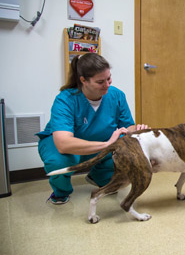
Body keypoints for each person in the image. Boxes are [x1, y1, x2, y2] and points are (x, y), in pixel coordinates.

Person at [37, 53, 148, 205]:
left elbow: (127, 126)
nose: (107, 85)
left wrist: (137, 131)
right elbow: (63, 144)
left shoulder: (116, 95)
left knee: (125, 148)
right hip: (66, 147)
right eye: (100, 82)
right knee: (59, 160)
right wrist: (106, 144)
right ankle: (61, 191)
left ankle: (99, 176)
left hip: (100, 142)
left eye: (109, 78)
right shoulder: (65, 99)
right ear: (83, 80)